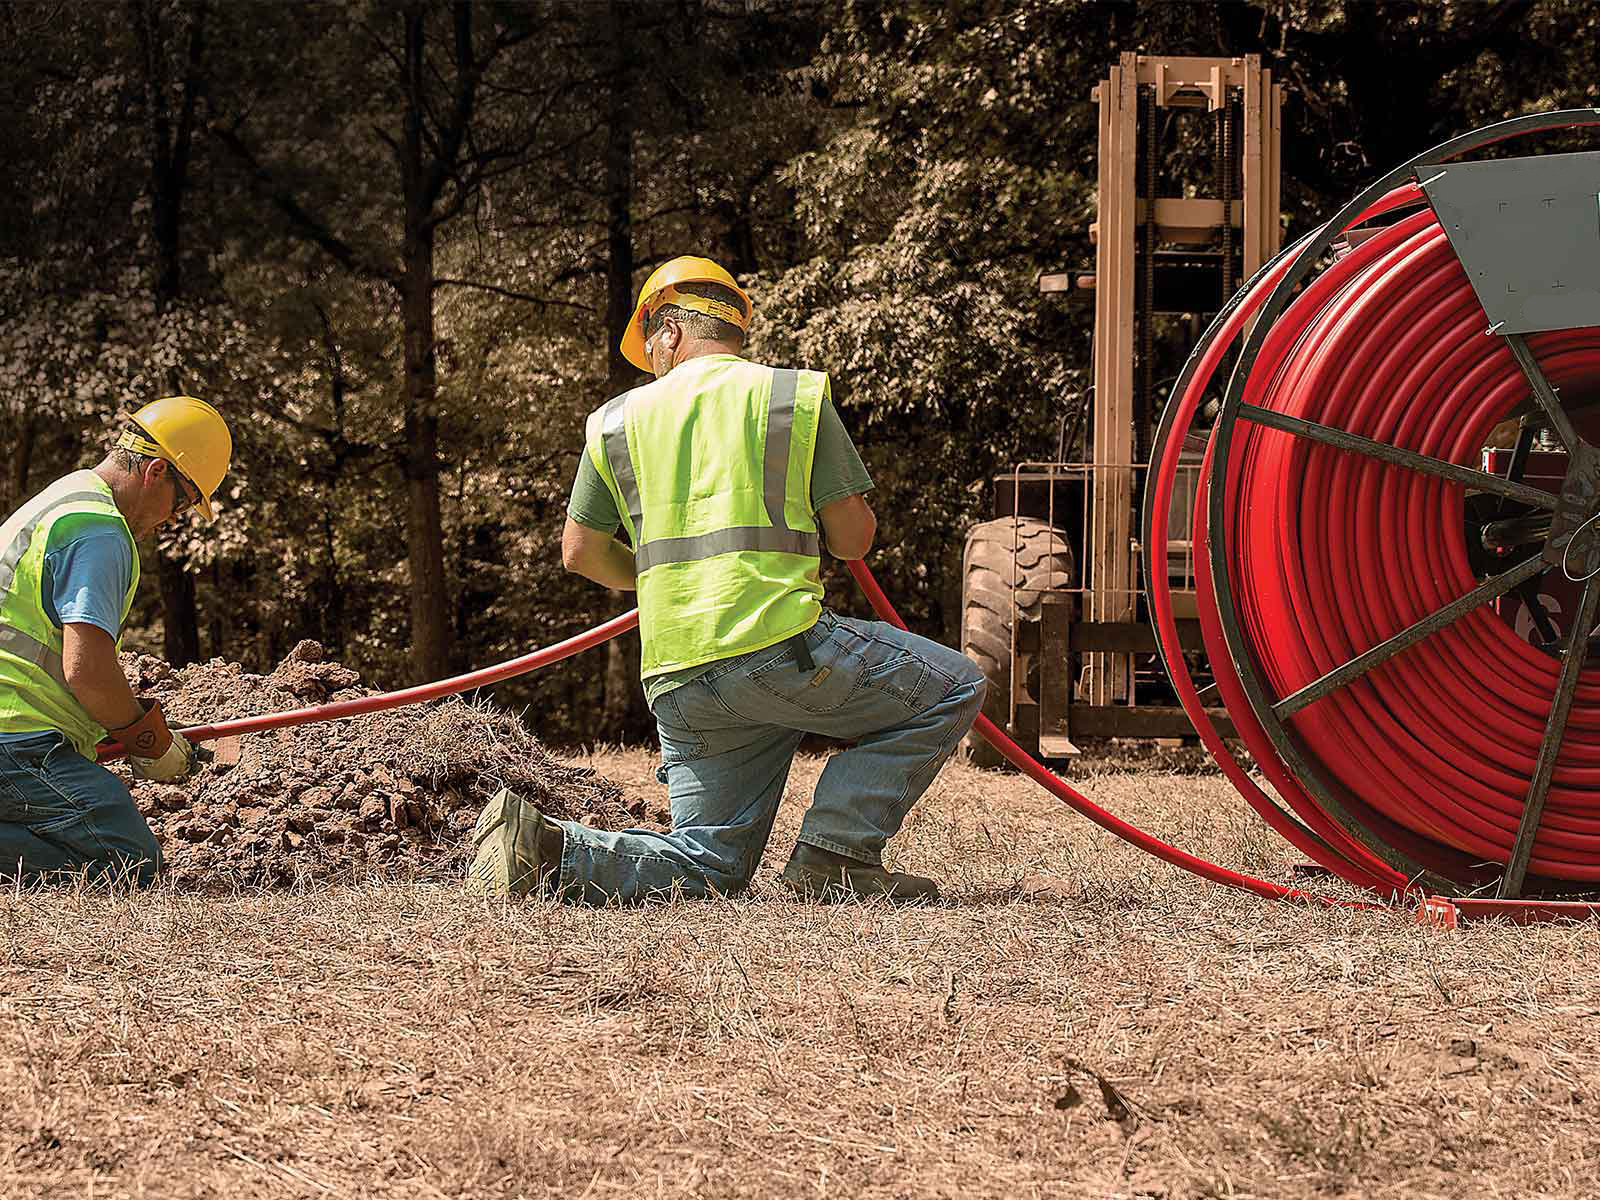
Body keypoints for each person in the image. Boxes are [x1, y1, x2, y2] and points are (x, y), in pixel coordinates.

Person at [467, 256, 985, 904]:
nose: (651, 359)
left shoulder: (614, 422)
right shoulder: (788, 397)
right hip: (780, 647)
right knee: (954, 686)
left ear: (672, 331)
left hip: (679, 677)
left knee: (707, 863)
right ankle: (837, 856)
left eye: (649, 344)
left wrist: (662, 583)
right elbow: (853, 540)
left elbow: (579, 553)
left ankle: (544, 850)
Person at [0, 396, 233, 886]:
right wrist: (148, 743)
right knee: (126, 860)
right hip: (13, 739)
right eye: (186, 498)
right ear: (154, 472)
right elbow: (87, 672)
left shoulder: (69, 495)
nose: (176, 516)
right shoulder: (100, 532)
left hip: (15, 728)